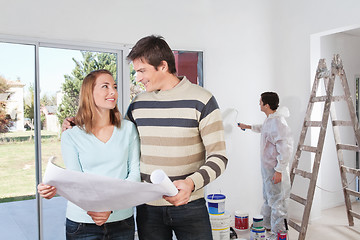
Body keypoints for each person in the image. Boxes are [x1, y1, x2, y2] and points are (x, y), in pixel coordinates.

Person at [63, 35, 228, 240]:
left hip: (189, 205)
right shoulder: (138, 103)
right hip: (148, 209)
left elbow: (219, 157)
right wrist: (76, 124)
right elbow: (115, 134)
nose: (138, 78)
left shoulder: (202, 99)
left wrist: (191, 183)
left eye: (142, 71)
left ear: (162, 66)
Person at [38, 69, 140, 240]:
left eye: (114, 86)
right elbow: (78, 181)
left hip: (122, 221)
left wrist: (110, 206)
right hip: (82, 223)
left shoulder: (128, 129)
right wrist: (53, 187)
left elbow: (135, 174)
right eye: (105, 86)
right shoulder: (71, 135)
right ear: (89, 93)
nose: (113, 92)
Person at [238, 92, 293, 240]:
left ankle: (279, 235)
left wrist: (279, 170)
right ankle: (268, 225)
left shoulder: (279, 123)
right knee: (269, 199)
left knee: (277, 203)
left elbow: (285, 149)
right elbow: (264, 129)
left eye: (260, 102)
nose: (259, 104)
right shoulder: (271, 120)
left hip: (275, 169)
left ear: (267, 105)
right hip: (268, 168)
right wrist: (247, 126)